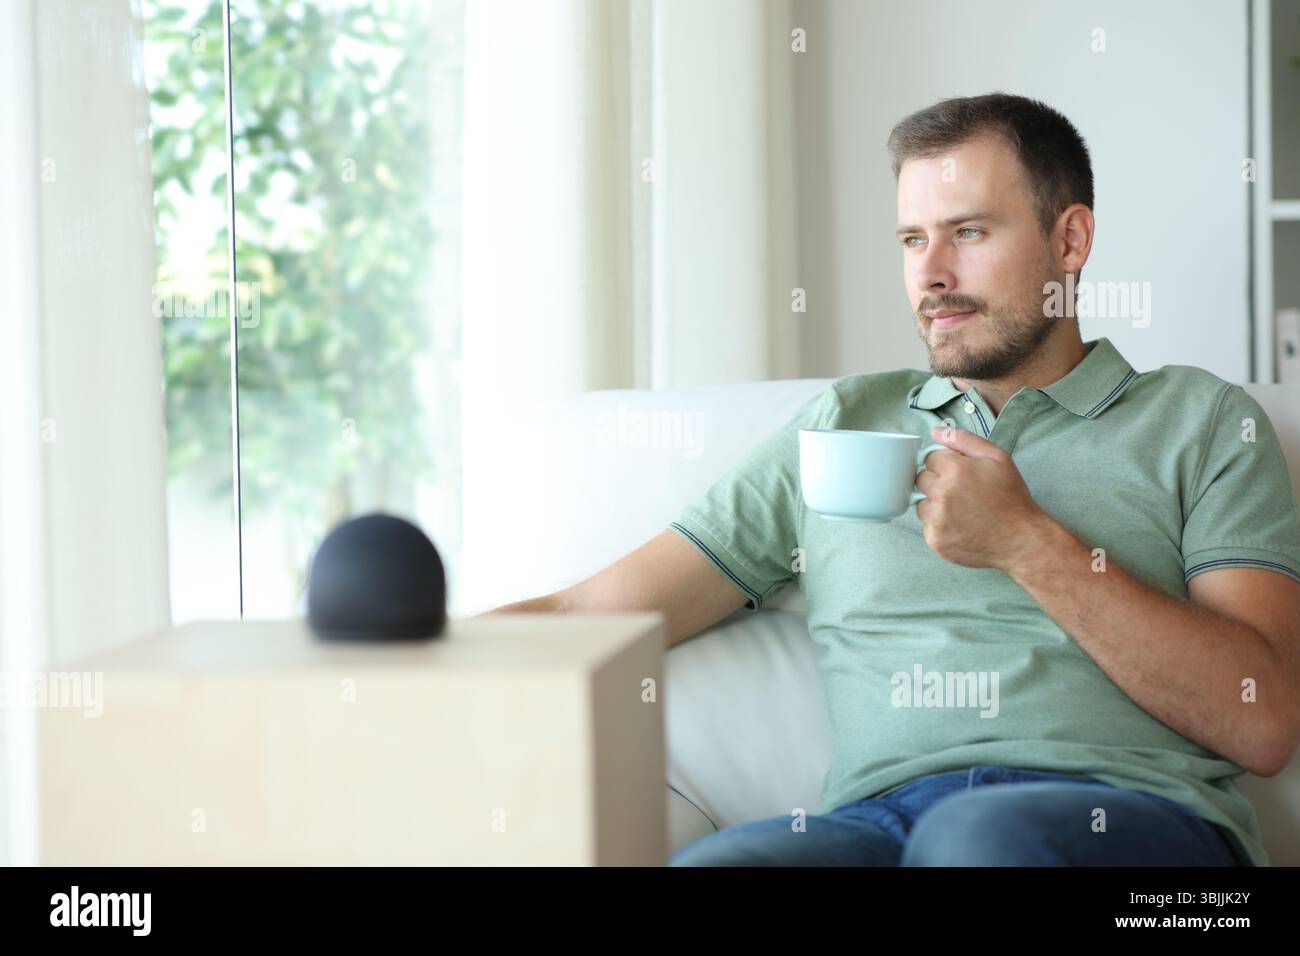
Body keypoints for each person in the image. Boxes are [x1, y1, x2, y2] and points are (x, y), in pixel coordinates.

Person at [484, 93, 1300, 866]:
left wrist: (1027, 543)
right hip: (878, 829)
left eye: (969, 232)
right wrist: (383, 663)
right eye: (913, 240)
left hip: (1137, 822)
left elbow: (1262, 721)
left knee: (980, 842)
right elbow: (587, 612)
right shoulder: (840, 423)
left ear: (1070, 241)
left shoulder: (1200, 420)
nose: (932, 274)